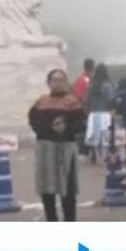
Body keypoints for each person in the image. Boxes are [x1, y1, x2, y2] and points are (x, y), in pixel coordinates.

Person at [29, 68, 86, 221]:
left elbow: (81, 124)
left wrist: (66, 129)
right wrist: (48, 129)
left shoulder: (73, 103)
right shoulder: (41, 102)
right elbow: (33, 121)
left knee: (68, 189)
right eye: (55, 80)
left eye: (62, 80)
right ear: (48, 83)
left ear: (66, 83)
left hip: (66, 149)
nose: (58, 83)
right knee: (47, 189)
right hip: (45, 149)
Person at [84, 62, 115, 163]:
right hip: (105, 114)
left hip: (93, 114)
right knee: (105, 138)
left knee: (94, 137)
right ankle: (104, 157)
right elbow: (111, 100)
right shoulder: (108, 85)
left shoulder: (91, 85)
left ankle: (96, 156)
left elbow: (87, 100)